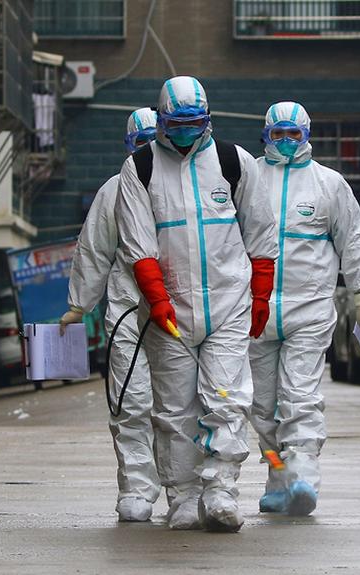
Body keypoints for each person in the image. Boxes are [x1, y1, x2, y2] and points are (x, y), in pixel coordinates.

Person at [115, 76, 278, 532]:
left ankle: (222, 490)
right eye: (176, 123)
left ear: (208, 119)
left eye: (195, 123)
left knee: (226, 399)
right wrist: (157, 299)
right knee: (173, 409)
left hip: (228, 302)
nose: (185, 131)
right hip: (169, 310)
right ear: (161, 119)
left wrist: (260, 294)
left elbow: (262, 235)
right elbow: (137, 243)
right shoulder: (141, 167)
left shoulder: (233, 161)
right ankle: (183, 497)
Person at [247, 101, 360, 516]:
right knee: (260, 408)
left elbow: (353, 240)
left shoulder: (329, 184)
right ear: (265, 135)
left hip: (309, 309)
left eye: (294, 135)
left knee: (300, 397)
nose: (285, 142)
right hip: (255, 311)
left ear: (307, 135)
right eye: (277, 135)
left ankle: (302, 477)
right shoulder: (248, 178)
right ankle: (277, 476)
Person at [60, 108, 160, 522]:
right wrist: (78, 304)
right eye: (142, 144)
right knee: (131, 401)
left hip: (187, 314)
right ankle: (137, 486)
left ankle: (187, 488)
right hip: (129, 312)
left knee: (184, 406)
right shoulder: (114, 192)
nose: (149, 153)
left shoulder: (195, 187)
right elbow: (95, 250)